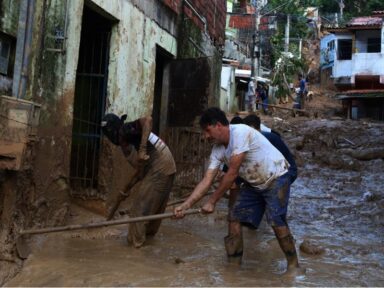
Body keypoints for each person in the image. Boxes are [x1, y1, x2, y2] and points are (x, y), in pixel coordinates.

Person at [174, 107, 301, 274]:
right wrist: (186, 205)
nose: (205, 137)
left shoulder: (240, 133)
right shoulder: (217, 150)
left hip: (277, 177)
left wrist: (212, 202)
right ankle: (234, 266)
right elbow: (207, 180)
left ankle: (294, 266)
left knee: (276, 221)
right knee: (234, 217)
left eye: (207, 131)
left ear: (218, 125)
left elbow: (232, 173)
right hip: (254, 183)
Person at [101, 113, 176, 248]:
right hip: (166, 165)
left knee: (139, 210)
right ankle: (149, 243)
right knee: (153, 209)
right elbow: (140, 172)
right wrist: (126, 190)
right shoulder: (129, 139)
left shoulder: (126, 130)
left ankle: (135, 249)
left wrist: (142, 149)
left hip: (159, 164)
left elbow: (148, 119)